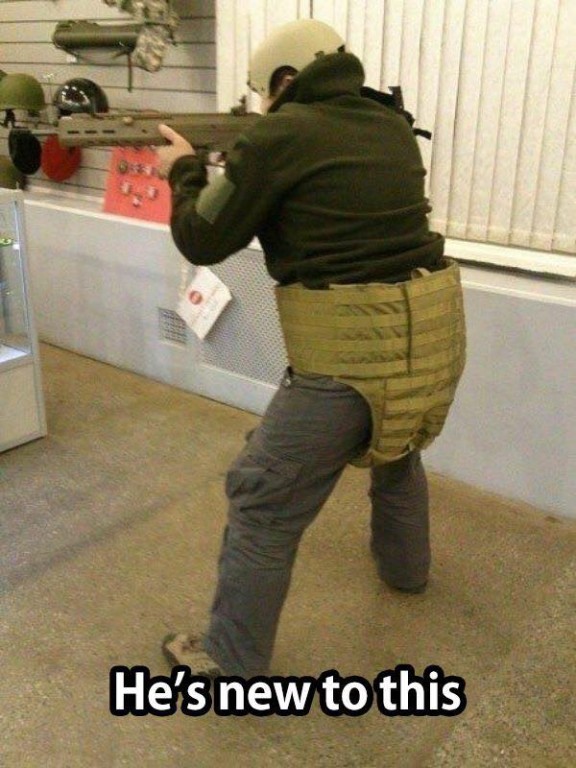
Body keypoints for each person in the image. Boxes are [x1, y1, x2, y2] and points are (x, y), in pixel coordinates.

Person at [157, 19, 466, 679]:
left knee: (261, 499)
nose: (263, 109)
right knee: (397, 448)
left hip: (346, 359)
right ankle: (407, 573)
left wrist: (183, 171)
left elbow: (201, 239)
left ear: (287, 78)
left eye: (265, 95)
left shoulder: (281, 136)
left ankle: (230, 659)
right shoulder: (389, 124)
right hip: (430, 343)